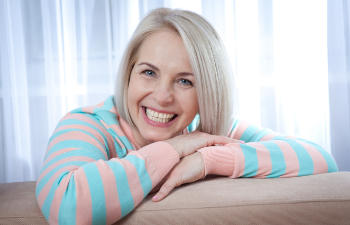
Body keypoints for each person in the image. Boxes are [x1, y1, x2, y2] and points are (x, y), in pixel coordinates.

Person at [35, 8, 338, 225]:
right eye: (149, 72)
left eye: (185, 81)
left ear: (207, 91)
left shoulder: (207, 131)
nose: (163, 96)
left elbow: (321, 159)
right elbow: (68, 206)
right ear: (129, 74)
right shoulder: (87, 123)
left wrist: (208, 160)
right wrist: (174, 150)